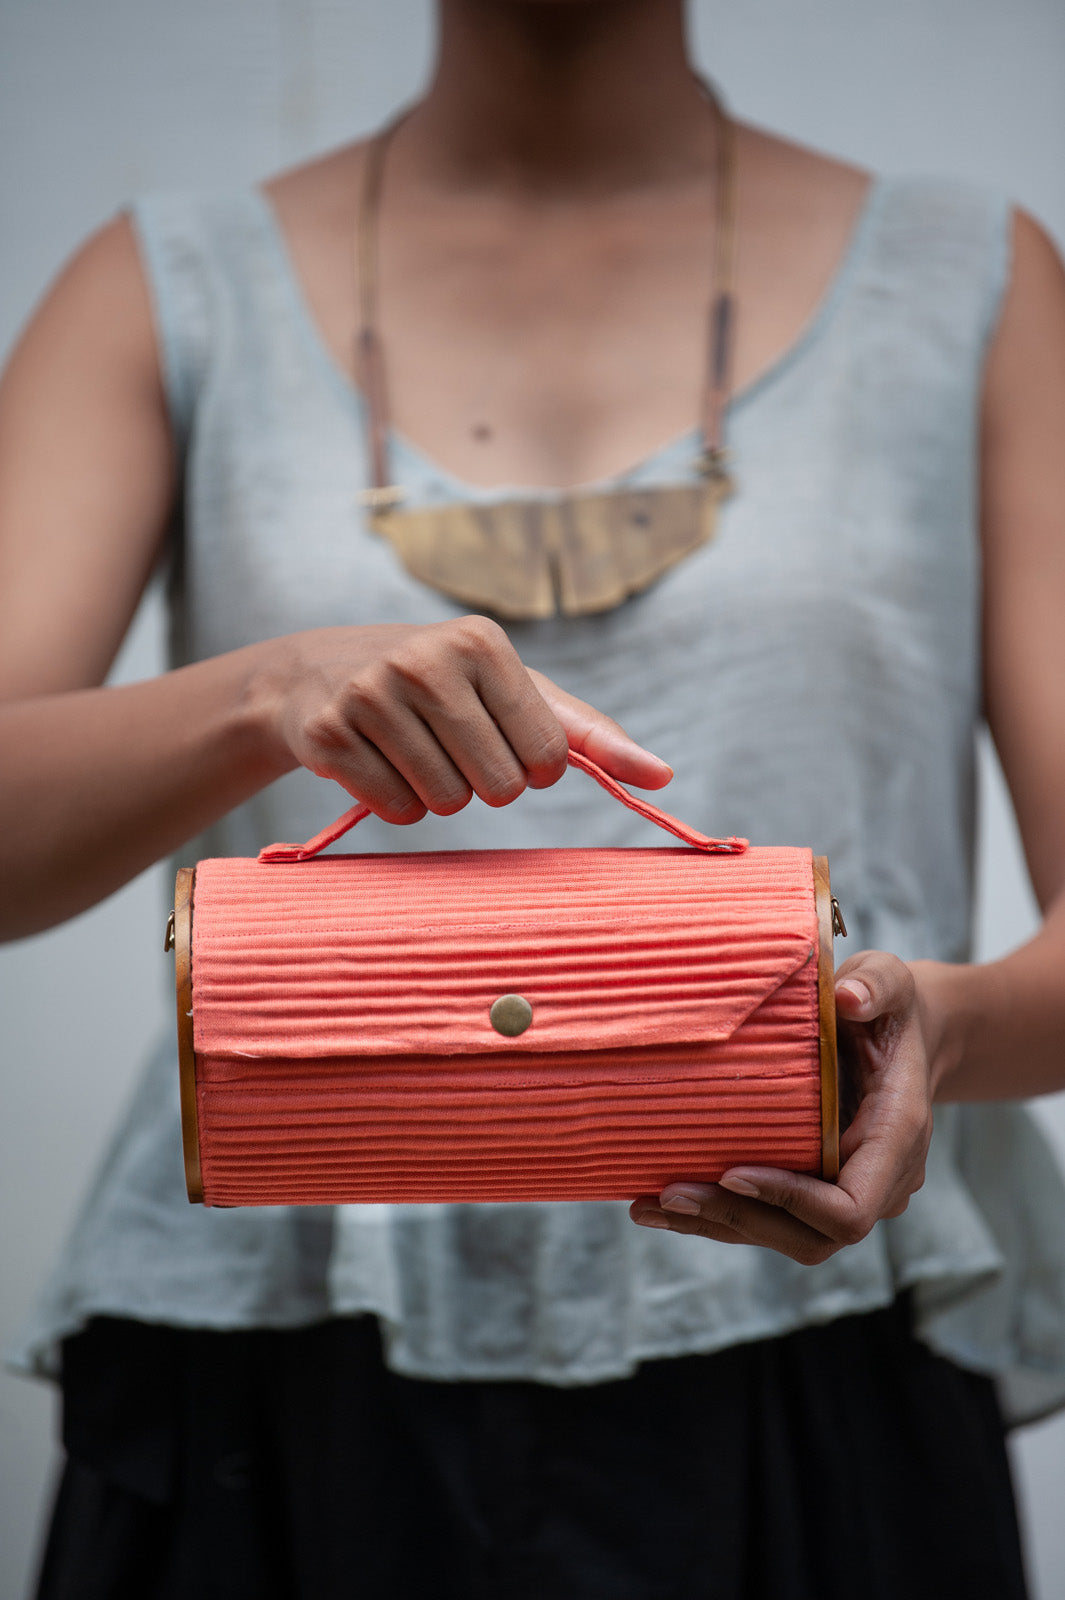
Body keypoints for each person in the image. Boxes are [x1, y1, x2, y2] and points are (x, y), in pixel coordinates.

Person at [4, 2, 1065, 1595]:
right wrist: (255, 692)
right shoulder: (162, 282)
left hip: (809, 1333)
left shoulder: (972, 280)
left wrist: (935, 1035)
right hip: (274, 1354)